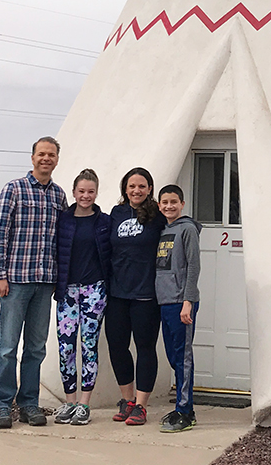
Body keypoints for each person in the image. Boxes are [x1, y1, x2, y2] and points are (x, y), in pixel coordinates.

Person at [0, 136, 66, 429]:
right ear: (32, 157)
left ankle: (29, 404)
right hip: (16, 281)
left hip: (45, 282)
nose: (46, 159)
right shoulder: (14, 189)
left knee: (36, 348)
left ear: (57, 160)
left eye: (51, 155)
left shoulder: (58, 196)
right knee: (7, 347)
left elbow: (62, 240)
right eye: (41, 154)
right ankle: (1, 405)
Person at [104, 166, 166, 426]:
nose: (136, 190)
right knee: (117, 347)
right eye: (132, 186)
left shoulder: (157, 216)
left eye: (141, 186)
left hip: (145, 294)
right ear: (125, 189)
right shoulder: (116, 214)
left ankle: (141, 405)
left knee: (144, 348)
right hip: (117, 292)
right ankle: (127, 400)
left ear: (149, 188)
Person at [52, 169, 111, 426]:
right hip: (67, 290)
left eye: (90, 191)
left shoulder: (104, 221)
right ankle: (70, 401)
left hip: (94, 290)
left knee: (89, 345)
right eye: (81, 191)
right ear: (74, 192)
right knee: (66, 347)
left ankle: (84, 404)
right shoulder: (63, 220)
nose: (85, 196)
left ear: (96, 193)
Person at [155, 184, 201, 433]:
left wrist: (188, 301)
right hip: (165, 301)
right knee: (173, 356)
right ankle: (182, 406)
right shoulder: (164, 230)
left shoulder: (188, 229)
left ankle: (186, 412)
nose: (169, 206)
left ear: (182, 203)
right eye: (164, 202)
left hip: (181, 302)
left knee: (183, 358)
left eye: (174, 201)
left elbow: (193, 267)